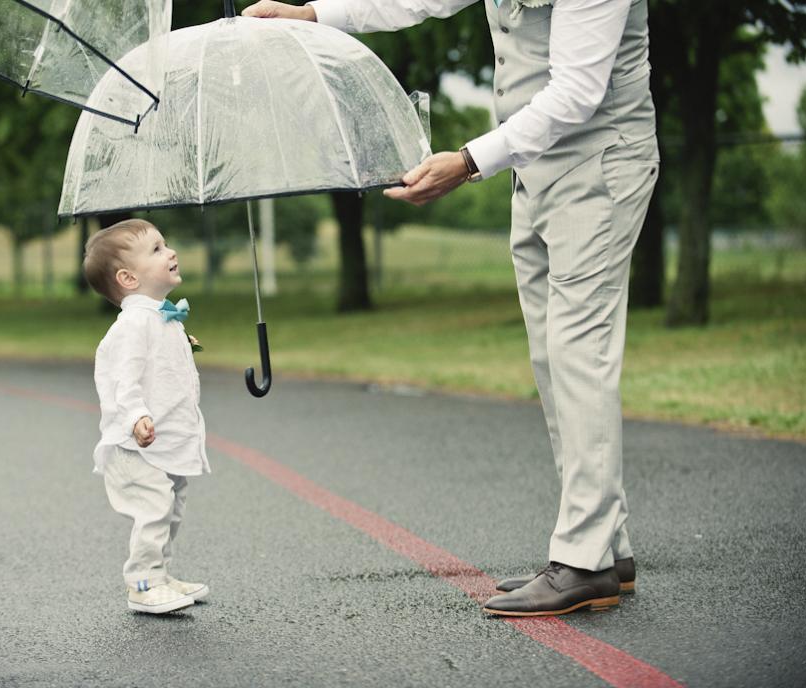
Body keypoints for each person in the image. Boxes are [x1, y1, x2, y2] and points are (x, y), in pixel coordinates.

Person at [243, 0, 657, 617]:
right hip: (536, 170)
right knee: (553, 361)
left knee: (579, 357)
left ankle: (584, 561)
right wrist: (312, 15)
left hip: (599, 165)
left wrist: (466, 162)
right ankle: (606, 546)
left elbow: (577, 90)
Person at [84, 219, 211, 615]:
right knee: (154, 510)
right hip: (137, 445)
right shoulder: (134, 323)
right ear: (128, 277)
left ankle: (160, 575)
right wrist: (136, 415)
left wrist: (181, 345)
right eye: (156, 249)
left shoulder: (160, 316)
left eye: (166, 244)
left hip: (166, 441)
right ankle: (141, 583)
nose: (170, 252)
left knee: (170, 510)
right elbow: (124, 377)